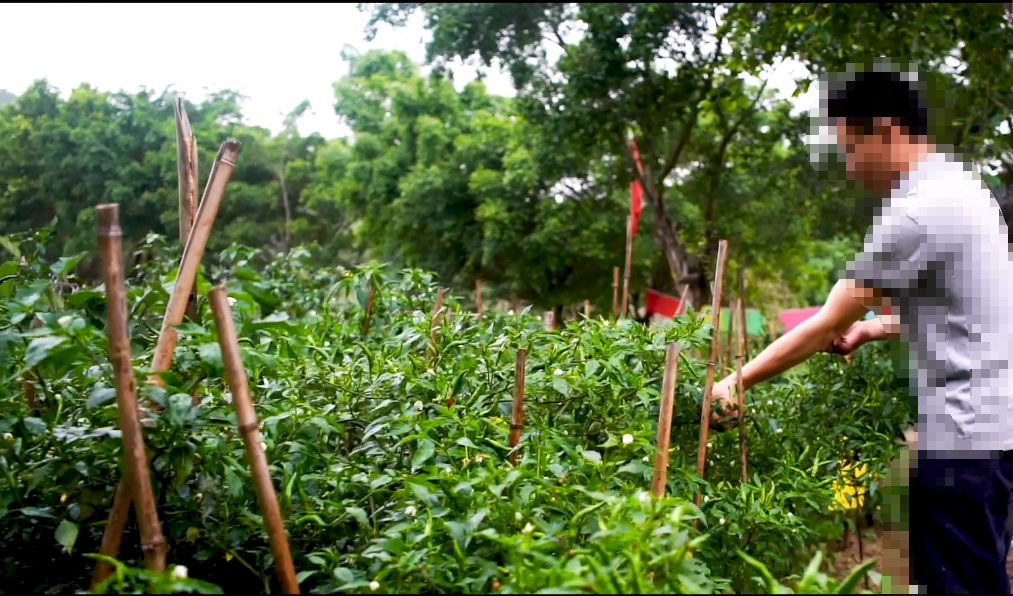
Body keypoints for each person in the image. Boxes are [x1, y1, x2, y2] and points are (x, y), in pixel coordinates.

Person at [709, 62, 1013, 593]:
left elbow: (826, 319)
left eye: (850, 147)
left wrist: (737, 381)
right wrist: (873, 331)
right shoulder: (963, 190)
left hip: (965, 443)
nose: (849, 166)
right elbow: (970, 314)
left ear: (886, 130)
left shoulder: (917, 212)